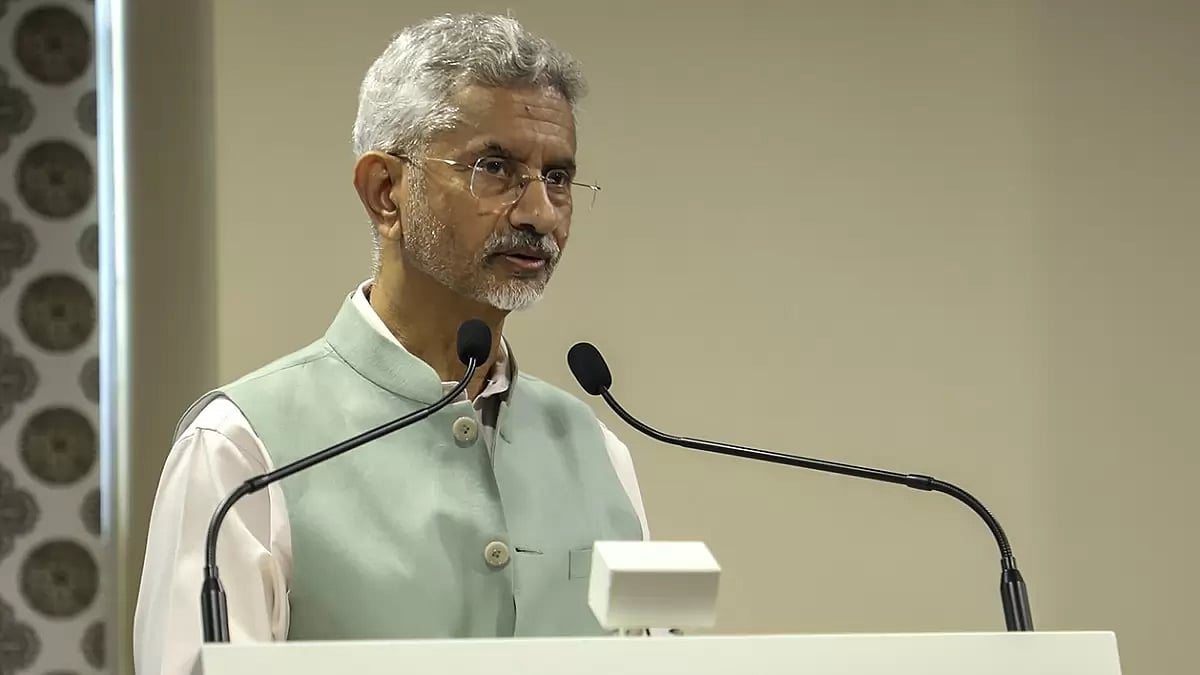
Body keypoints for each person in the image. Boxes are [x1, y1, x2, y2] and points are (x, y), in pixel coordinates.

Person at [133, 13, 651, 675]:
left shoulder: (599, 451)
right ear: (385, 192)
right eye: (495, 168)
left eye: (557, 178)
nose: (540, 213)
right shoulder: (242, 451)